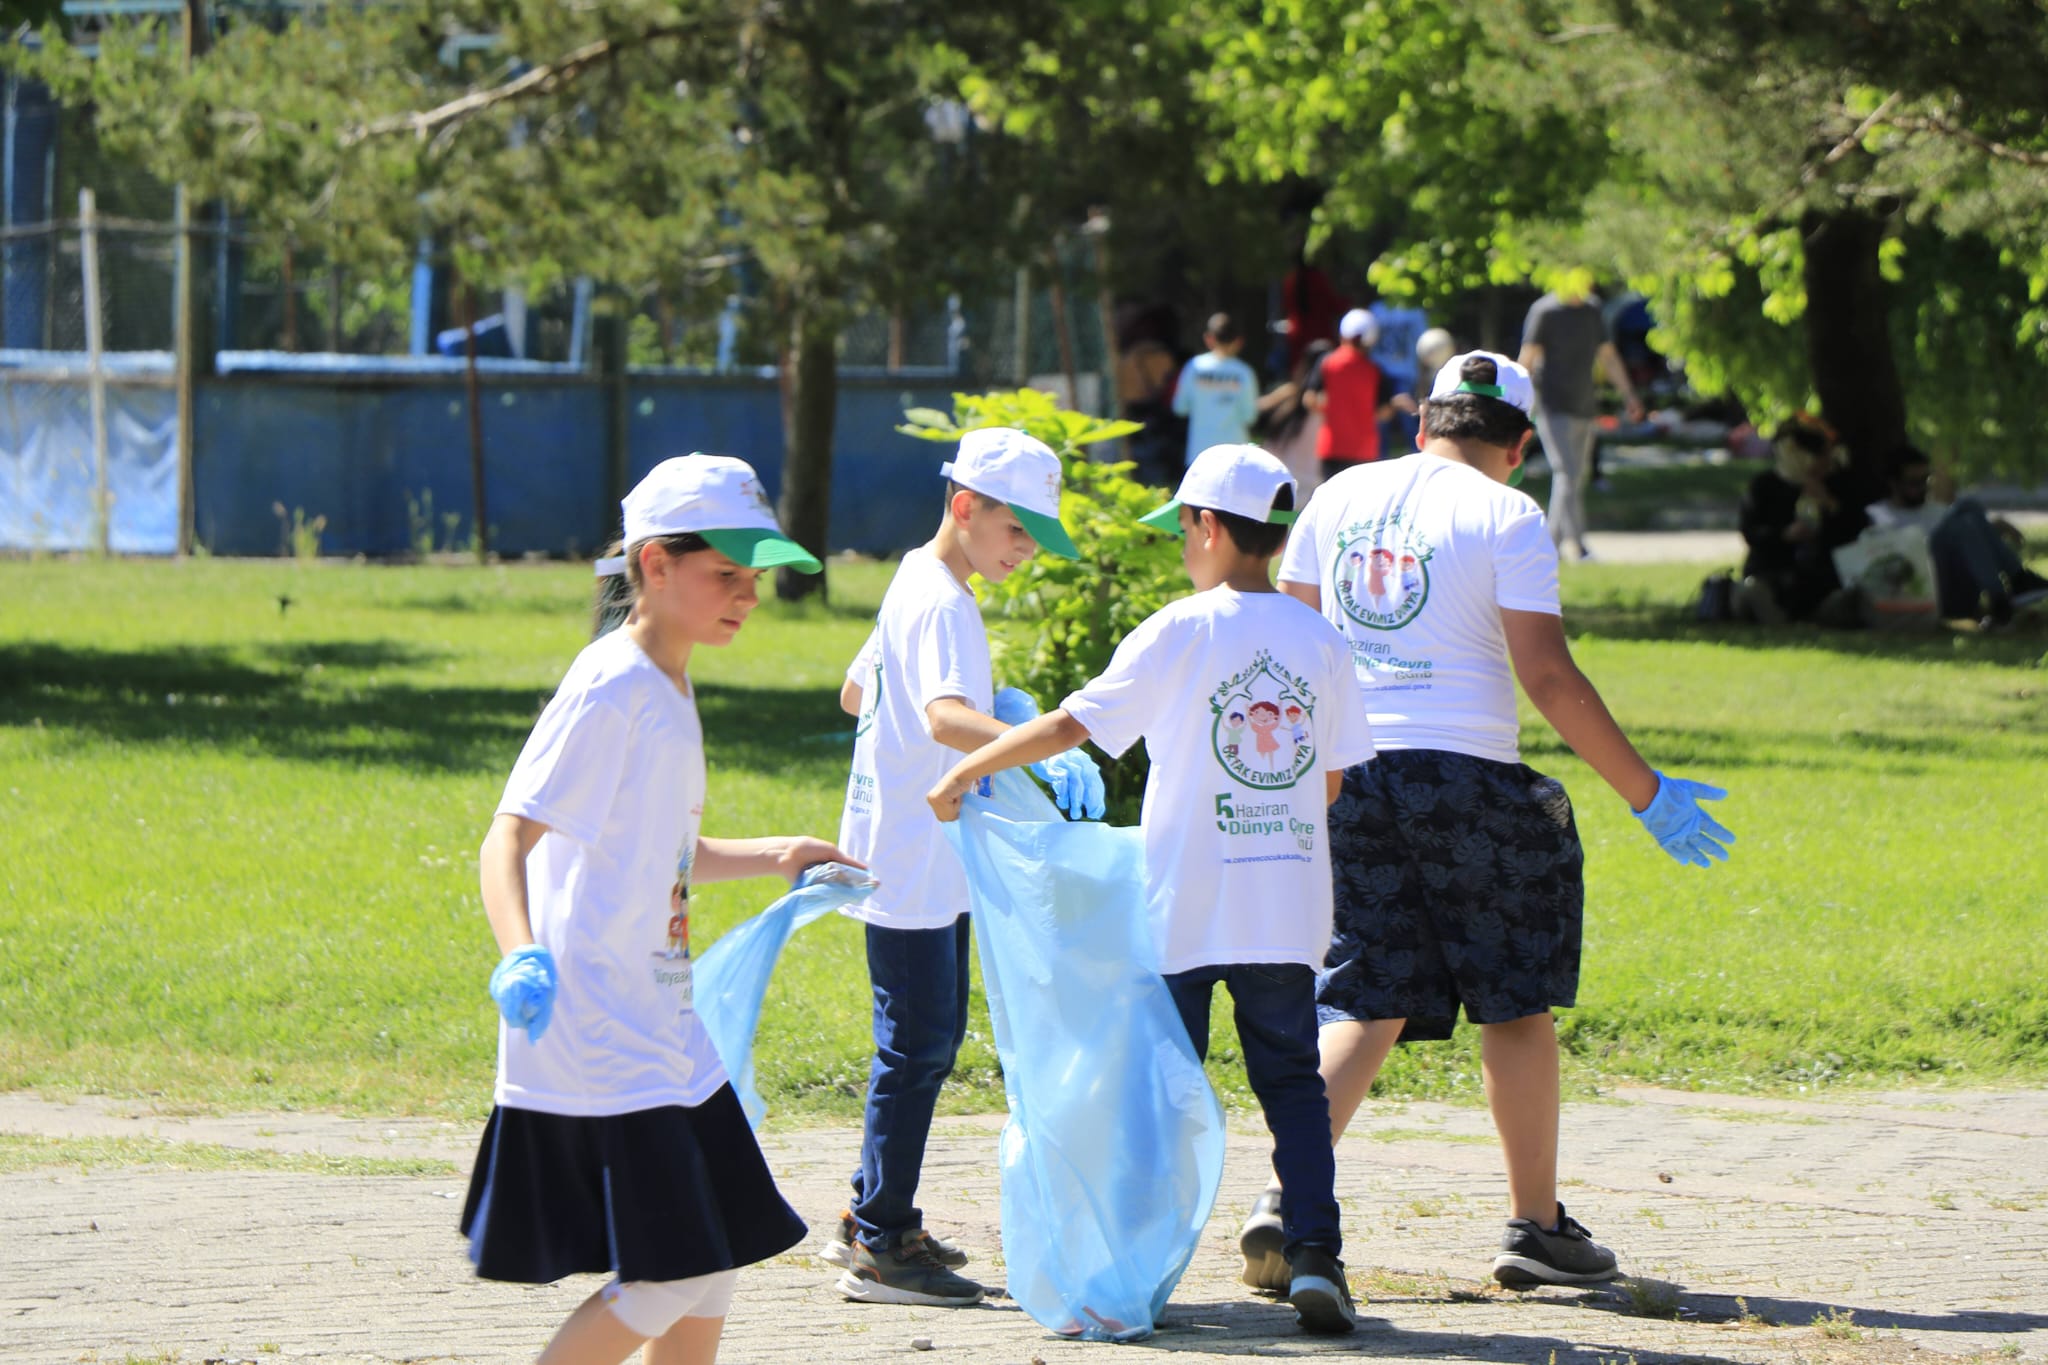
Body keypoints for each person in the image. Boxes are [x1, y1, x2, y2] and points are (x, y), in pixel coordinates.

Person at [1261, 352, 1731, 1292]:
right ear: (1518, 446)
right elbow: (1547, 676)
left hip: (1348, 777)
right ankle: (1536, 1225)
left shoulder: (1337, 498)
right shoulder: (1506, 514)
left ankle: (1284, 1203)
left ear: (1425, 420)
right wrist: (1646, 793)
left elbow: (1292, 645)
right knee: (1513, 1000)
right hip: (1468, 779)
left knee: (1364, 990)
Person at [925, 443, 1378, 1336]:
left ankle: (1123, 1270)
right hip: (1285, 910)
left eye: (1182, 530)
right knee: (1292, 1085)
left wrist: (962, 773)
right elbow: (1327, 783)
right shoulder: (1318, 638)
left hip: (1186, 905)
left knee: (1154, 1084)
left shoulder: (1183, 627)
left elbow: (1071, 723)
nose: (1182, 546)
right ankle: (1317, 1253)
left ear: (1208, 527)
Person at [464, 453, 861, 1365]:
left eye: (752, 577)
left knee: (711, 1256)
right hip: (598, 1024)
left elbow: (660, 857)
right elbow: (508, 838)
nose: (747, 594)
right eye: (726, 574)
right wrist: (519, 952)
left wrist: (781, 853)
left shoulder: (670, 682)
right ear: (654, 563)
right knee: (676, 1270)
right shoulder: (611, 687)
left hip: (663, 1023)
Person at [827, 427, 1099, 1309]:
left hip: (915, 846)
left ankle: (871, 1213)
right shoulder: (943, 601)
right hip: (912, 857)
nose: (1026, 552)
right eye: (1017, 532)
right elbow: (943, 718)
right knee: (919, 1045)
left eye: (1035, 539)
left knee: (920, 1042)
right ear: (965, 507)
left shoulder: (918, 580)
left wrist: (993, 710)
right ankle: (880, 1241)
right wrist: (1032, 741)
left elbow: (856, 691)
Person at [1518, 281, 1644, 561]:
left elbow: (1608, 356)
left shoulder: (1592, 310)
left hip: (1585, 406)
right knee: (1567, 473)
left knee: (1577, 475)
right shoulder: (1545, 311)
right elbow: (1527, 358)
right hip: (1552, 405)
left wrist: (1629, 395)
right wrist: (1518, 401)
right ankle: (1558, 545)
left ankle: (1569, 545)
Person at [1735, 416, 1869, 624]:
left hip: (1824, 578)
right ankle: (1779, 620)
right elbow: (1752, 532)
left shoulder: (1839, 485)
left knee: (1845, 599)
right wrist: (1785, 535)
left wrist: (1830, 505)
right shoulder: (1765, 486)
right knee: (1756, 590)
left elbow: (1857, 530)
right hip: (1774, 573)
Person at [1306, 308, 1416, 481]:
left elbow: (1309, 399)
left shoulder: (1327, 363)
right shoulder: (1374, 371)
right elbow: (1383, 413)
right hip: (1365, 451)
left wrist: (1329, 411)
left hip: (1332, 446)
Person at [1171, 313, 1262, 477]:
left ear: (1209, 338)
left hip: (1200, 452)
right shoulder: (1244, 372)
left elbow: (1180, 407)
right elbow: (1250, 416)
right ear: (1239, 341)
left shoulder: (1194, 367)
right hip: (1235, 454)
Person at [1253, 338, 1333, 499]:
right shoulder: (1328, 405)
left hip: (1278, 485)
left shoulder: (1288, 394)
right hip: (1313, 488)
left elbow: (1257, 407)